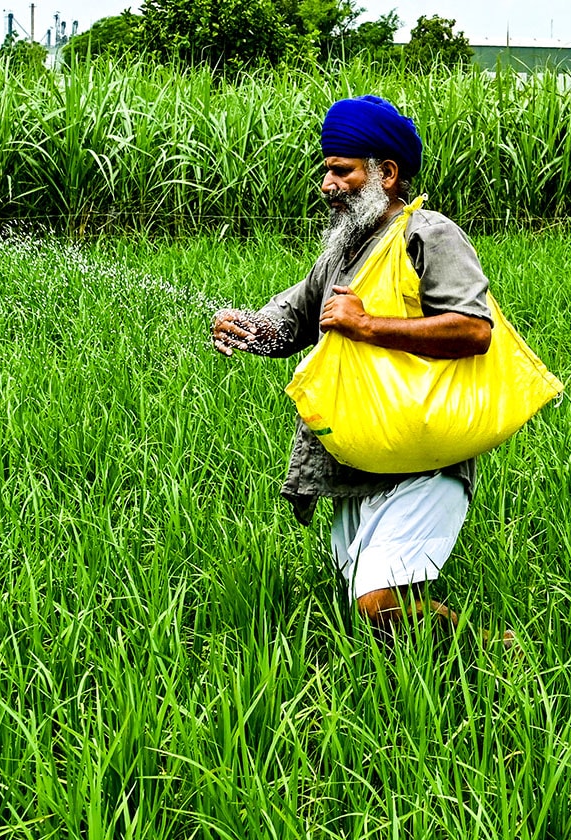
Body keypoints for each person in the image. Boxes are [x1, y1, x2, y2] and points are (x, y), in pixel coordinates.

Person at [211, 95, 502, 639]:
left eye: (341, 170)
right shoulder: (342, 252)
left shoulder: (430, 235)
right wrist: (248, 328)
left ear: (386, 174)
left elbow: (473, 329)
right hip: (360, 461)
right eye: (326, 171)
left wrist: (368, 325)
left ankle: (491, 652)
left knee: (376, 602)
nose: (327, 185)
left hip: (425, 456)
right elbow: (294, 320)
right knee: (368, 613)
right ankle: (436, 679)